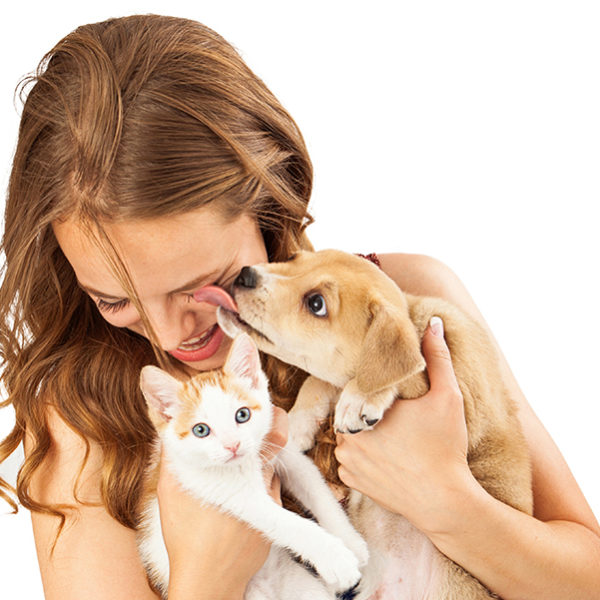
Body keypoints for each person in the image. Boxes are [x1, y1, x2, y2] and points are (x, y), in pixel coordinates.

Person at [0, 14, 598, 600]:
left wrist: (445, 501)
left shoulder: (396, 301)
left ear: (269, 201)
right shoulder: (85, 421)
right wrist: (208, 578)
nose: (168, 331)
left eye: (203, 283)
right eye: (113, 299)